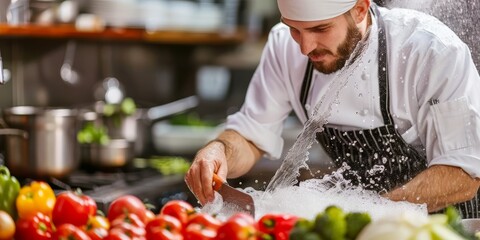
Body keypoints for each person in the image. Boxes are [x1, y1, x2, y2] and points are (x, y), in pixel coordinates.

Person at [185, 0, 480, 218]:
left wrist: (372, 213)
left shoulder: (431, 50)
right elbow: (250, 136)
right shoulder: (283, 47)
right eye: (295, 30)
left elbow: (464, 173)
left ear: (361, 9)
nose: (304, 47)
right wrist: (219, 150)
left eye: (320, 29)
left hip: (447, 226)